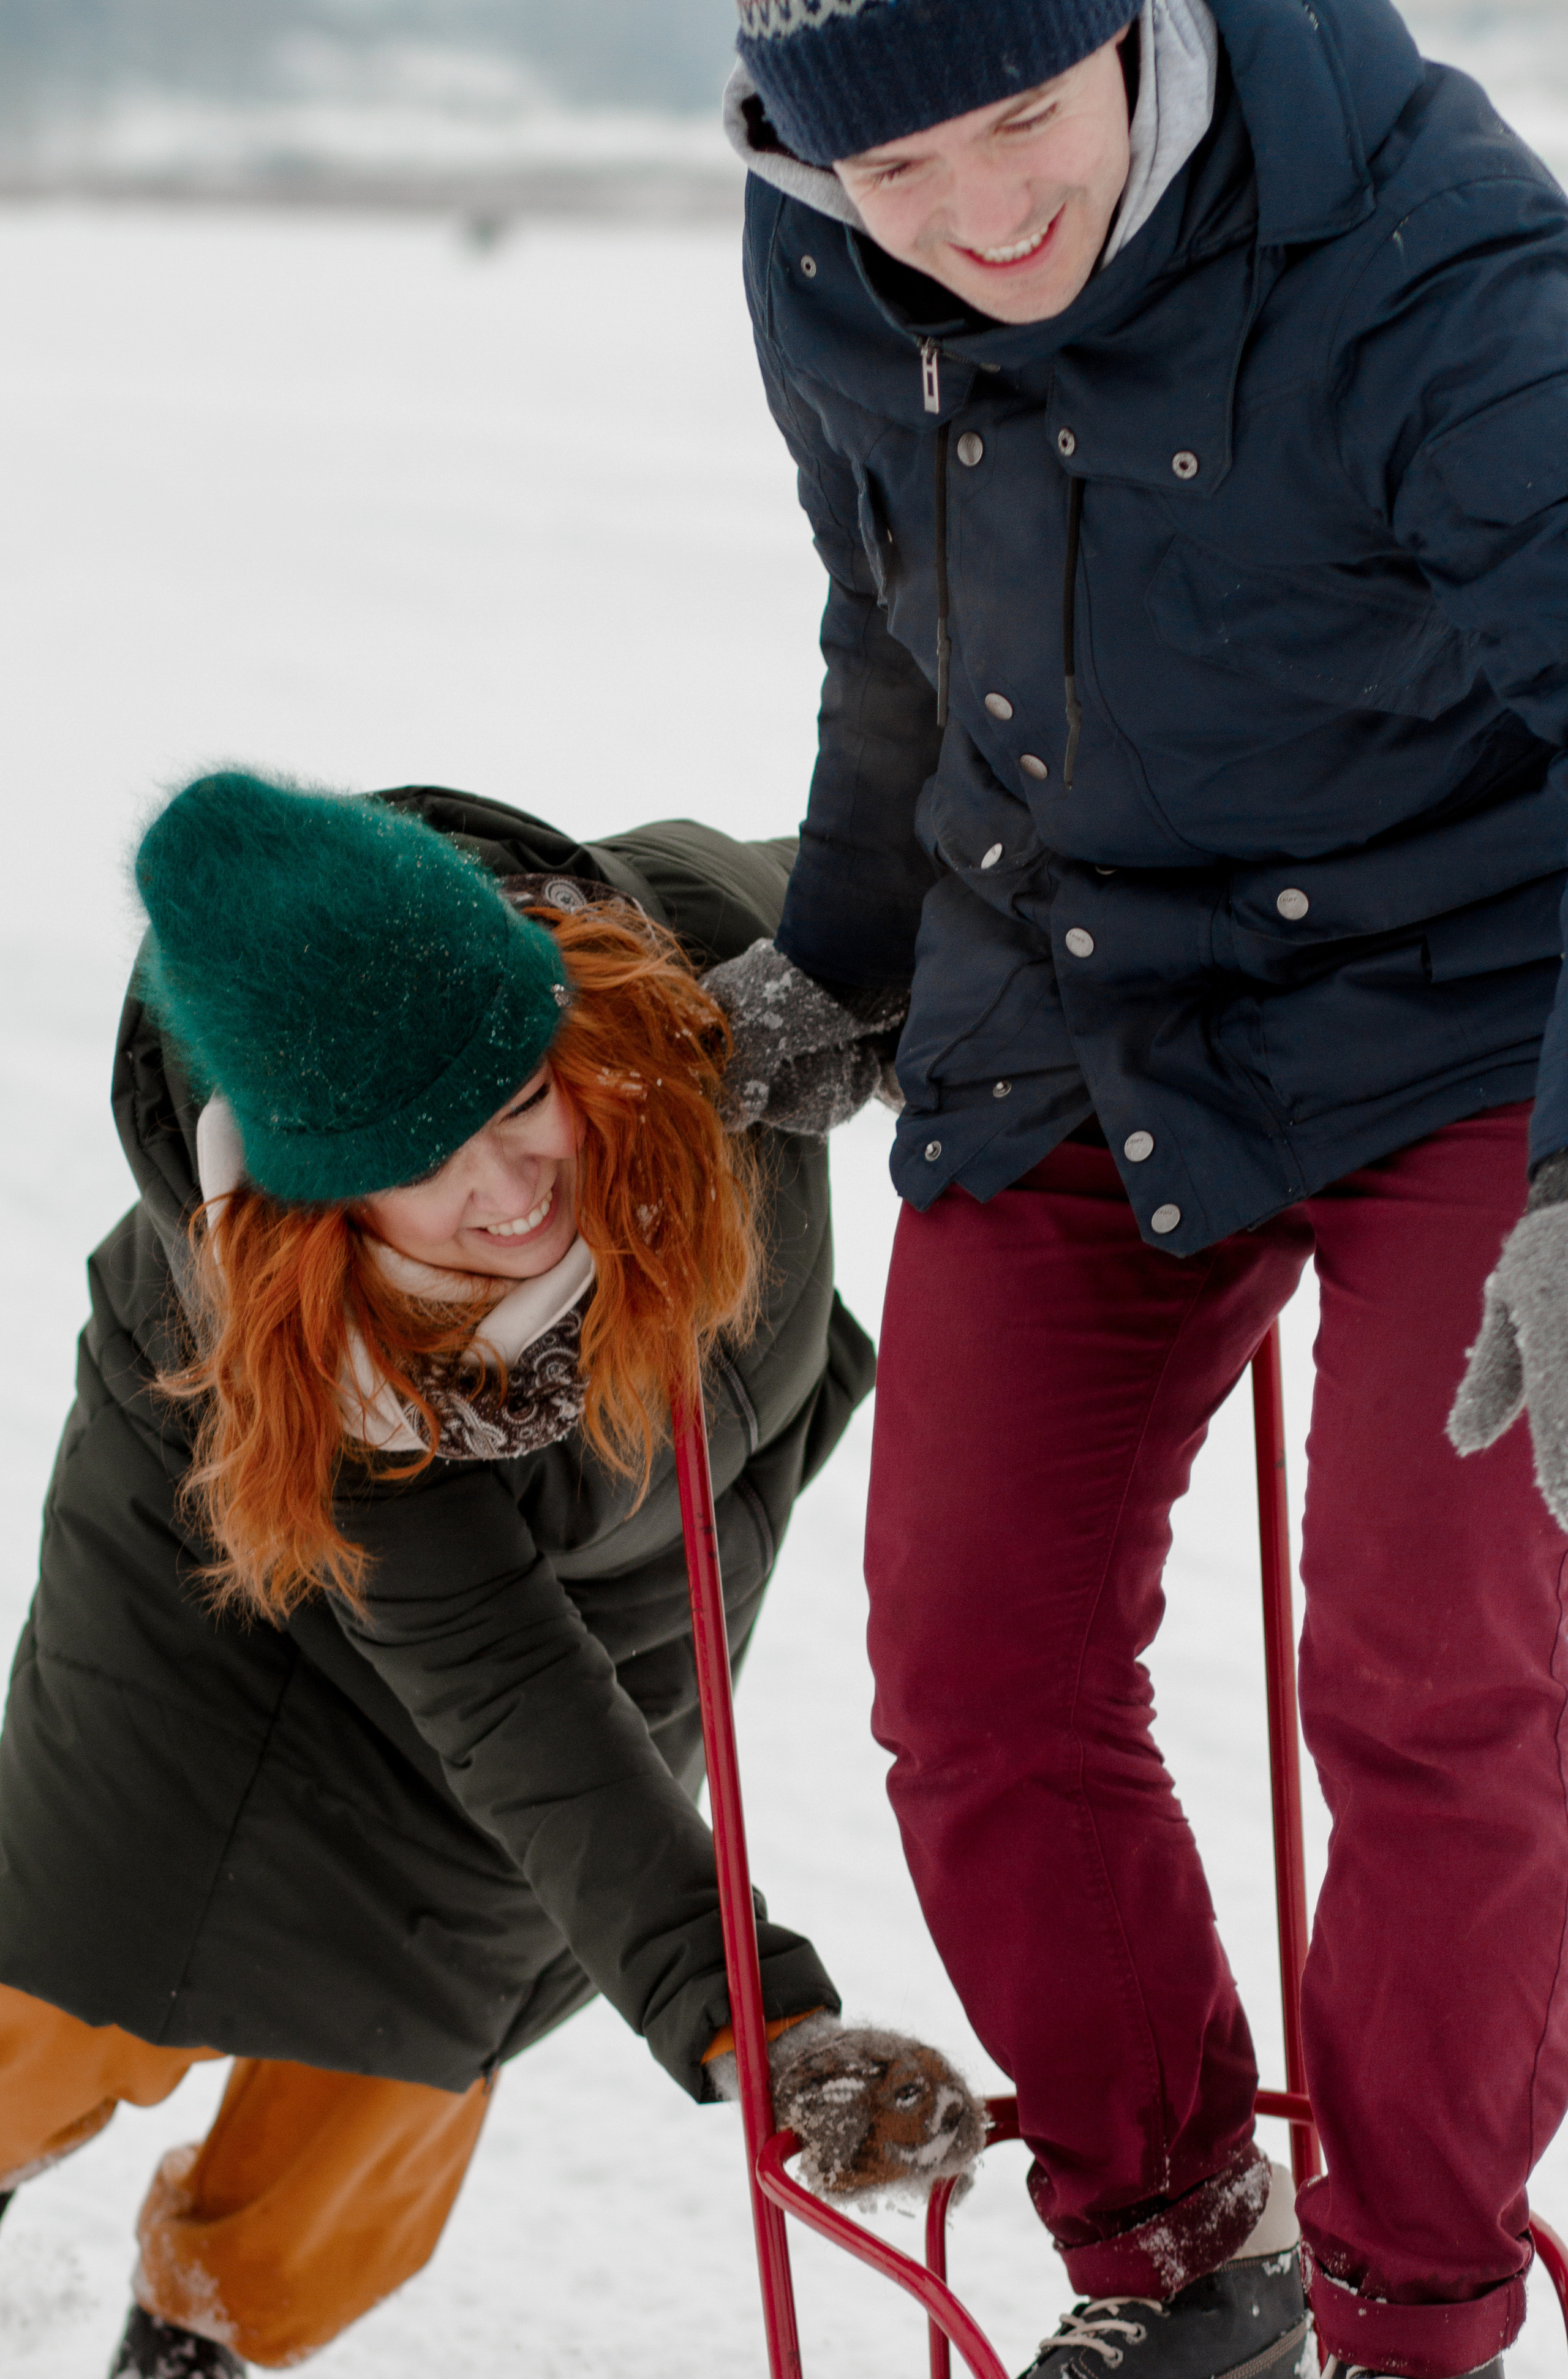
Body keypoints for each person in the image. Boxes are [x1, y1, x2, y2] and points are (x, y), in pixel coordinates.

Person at [714, 3, 1568, 2378]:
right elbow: (889, 623)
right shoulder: (816, 239)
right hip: (1073, 981)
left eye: (1021, 122)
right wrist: (847, 956)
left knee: (1438, 1665)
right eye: (892, 172)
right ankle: (1182, 2253)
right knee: (969, 1649)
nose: (978, 216)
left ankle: (1412, 2304)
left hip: (1479, 1008)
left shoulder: (1434, 251)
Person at [0, 774, 984, 2379]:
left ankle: (207, 2340)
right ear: (325, 1205)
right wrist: (765, 2023)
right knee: (83, 1968)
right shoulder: (304, 1353)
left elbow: (979, 850)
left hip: (626, 1565)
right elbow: (512, 1696)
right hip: (226, 1567)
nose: (515, 1187)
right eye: (430, 1165)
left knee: (431, 1993)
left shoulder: (699, 950)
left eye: (523, 1097)